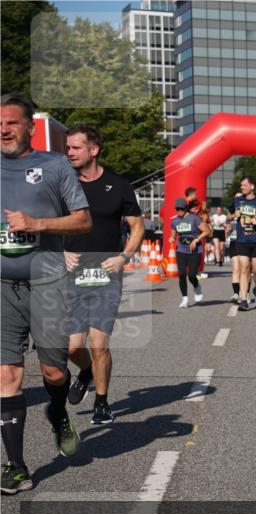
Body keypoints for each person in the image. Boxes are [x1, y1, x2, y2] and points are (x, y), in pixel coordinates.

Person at [1, 93, 92, 494]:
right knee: (7, 374)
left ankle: (57, 414)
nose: (4, 130)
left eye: (12, 123)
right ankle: (16, 466)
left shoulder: (54, 165)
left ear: (29, 127)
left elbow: (83, 220)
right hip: (3, 286)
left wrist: (36, 223)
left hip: (48, 282)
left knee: (54, 372)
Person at [62, 124, 143, 425]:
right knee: (72, 347)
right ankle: (84, 372)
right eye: (67, 147)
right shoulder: (64, 184)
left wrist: (124, 258)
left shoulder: (119, 185)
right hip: (73, 273)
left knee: (99, 343)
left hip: (106, 273)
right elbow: (48, 225)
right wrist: (61, 250)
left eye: (75, 147)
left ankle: (102, 402)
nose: (69, 152)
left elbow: (137, 227)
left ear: (93, 150)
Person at [228, 176, 256, 311]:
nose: (242, 187)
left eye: (244, 185)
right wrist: (234, 215)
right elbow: (228, 217)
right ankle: (243, 299)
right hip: (242, 240)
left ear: (252, 186)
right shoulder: (237, 200)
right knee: (244, 267)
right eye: (241, 185)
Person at [168, 197, 209, 307]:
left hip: (195, 250)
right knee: (181, 274)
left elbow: (207, 231)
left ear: (185, 208)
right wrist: (171, 238)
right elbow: (173, 234)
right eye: (177, 209)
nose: (179, 211)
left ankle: (197, 287)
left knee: (191, 275)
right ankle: (185, 299)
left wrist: (196, 240)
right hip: (181, 250)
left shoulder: (194, 218)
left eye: (181, 209)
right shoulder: (175, 221)